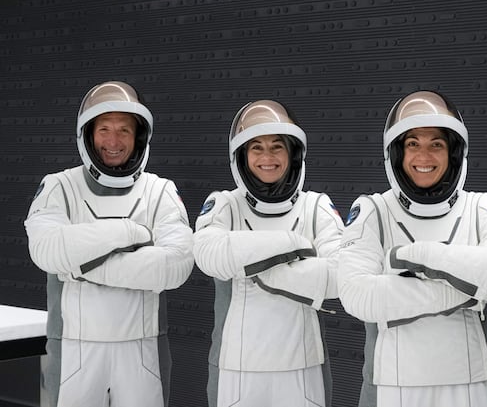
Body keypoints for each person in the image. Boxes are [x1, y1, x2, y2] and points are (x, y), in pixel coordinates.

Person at [338, 90, 487, 407]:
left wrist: (421, 262)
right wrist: (467, 289)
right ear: (396, 154)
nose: (424, 156)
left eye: (437, 144)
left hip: (470, 386)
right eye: (412, 144)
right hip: (393, 388)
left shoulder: (480, 206)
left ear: (454, 153)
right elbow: (357, 294)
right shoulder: (372, 211)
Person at [24, 81, 195, 407]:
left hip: (143, 351)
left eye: (124, 131)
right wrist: (133, 233)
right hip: (73, 349)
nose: (113, 141)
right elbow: (47, 250)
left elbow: (176, 266)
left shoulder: (160, 191)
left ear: (139, 137)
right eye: (104, 129)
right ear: (87, 134)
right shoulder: (58, 186)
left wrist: (79, 266)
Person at [193, 100, 344, 407]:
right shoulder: (225, 203)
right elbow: (209, 255)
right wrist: (293, 246)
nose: (267, 157)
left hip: (303, 368)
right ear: (242, 156)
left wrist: (249, 261)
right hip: (236, 369)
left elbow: (340, 276)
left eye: (277, 147)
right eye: (256, 148)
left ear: (293, 154)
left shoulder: (316, 206)